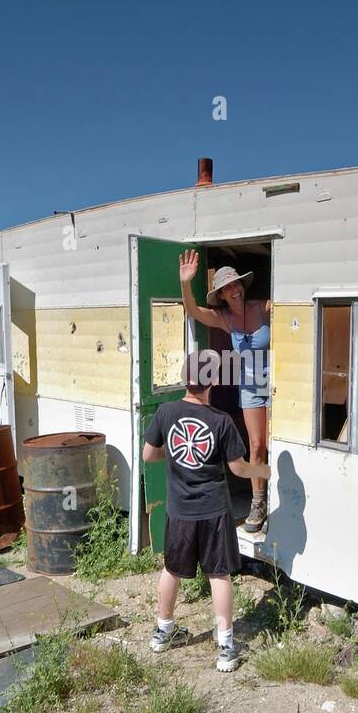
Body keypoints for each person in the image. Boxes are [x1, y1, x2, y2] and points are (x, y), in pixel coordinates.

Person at [143, 348, 271, 672]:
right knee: (219, 573)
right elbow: (239, 469)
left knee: (171, 569)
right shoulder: (221, 421)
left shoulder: (165, 412)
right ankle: (226, 646)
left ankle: (163, 632)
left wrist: (173, 456)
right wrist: (265, 473)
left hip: (179, 511)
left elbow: (148, 455)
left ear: (185, 379)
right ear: (211, 380)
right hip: (214, 511)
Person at [178, 248, 272, 532]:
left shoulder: (264, 307)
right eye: (227, 287)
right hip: (251, 385)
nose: (235, 289)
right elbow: (192, 311)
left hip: (278, 381)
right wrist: (185, 282)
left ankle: (283, 498)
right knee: (257, 446)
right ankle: (258, 500)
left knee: (279, 444)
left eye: (237, 283)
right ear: (220, 295)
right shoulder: (224, 319)